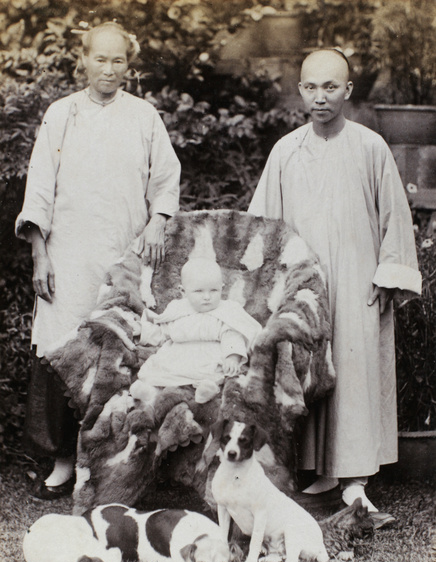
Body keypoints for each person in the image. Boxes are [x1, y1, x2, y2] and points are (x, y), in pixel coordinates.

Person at [248, 49, 421, 527]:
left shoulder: (370, 148)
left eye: (330, 87)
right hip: (305, 288)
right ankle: (317, 478)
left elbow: (394, 219)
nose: (320, 97)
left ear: (348, 90)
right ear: (300, 90)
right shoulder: (285, 151)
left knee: (353, 373)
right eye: (311, 87)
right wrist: (268, 284)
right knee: (307, 373)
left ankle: (354, 486)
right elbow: (264, 224)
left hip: (358, 282)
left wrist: (389, 274)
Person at [15, 22, 180, 499]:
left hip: (123, 260)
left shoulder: (145, 117)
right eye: (100, 59)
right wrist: (39, 255)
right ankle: (63, 461)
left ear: (130, 66)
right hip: (67, 258)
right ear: (82, 60)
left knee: (119, 357)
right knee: (60, 351)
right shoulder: (60, 115)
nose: (109, 69)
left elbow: (166, 180)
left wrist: (157, 221)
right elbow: (40, 189)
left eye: (118, 61)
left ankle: (111, 465)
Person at [132, 258, 262, 404]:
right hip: (177, 356)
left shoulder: (226, 311)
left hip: (208, 356)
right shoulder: (177, 309)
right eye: (199, 291)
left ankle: (206, 390)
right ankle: (150, 391)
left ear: (222, 288)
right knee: (159, 371)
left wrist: (232, 357)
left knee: (212, 373)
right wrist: (142, 331)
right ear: (183, 291)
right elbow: (164, 332)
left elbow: (232, 335)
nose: (207, 297)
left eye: (214, 290)